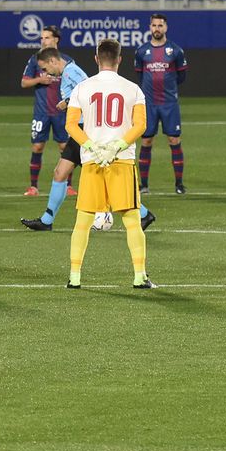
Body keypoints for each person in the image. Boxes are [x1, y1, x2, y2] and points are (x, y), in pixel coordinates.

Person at [21, 49, 154, 232]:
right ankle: (46, 220)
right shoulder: (68, 72)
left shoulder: (71, 72)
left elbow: (90, 90)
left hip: (87, 131)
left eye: (45, 68)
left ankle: (144, 213)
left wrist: (67, 102)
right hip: (82, 132)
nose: (47, 73)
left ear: (52, 61)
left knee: (107, 181)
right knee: (60, 172)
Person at [64, 39, 152, 290]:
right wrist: (117, 146)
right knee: (132, 221)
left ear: (96, 59)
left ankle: (74, 277)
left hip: (92, 161)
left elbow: (71, 125)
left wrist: (92, 146)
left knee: (83, 221)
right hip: (121, 161)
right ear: (119, 59)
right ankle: (139, 276)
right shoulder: (133, 89)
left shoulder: (82, 88)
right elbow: (140, 126)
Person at [134, 13, 188, 195]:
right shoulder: (142, 52)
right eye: (154, 25)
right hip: (149, 104)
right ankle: (144, 185)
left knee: (174, 140)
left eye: (160, 25)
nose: (157, 29)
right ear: (150, 27)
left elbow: (181, 76)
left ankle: (179, 184)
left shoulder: (176, 51)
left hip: (169, 104)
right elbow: (140, 76)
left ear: (166, 28)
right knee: (146, 141)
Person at [21, 24, 66, 197]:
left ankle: (68, 186)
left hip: (62, 112)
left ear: (56, 39)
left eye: (46, 37)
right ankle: (33, 187)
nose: (43, 40)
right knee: (38, 146)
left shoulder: (66, 60)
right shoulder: (35, 60)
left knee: (65, 148)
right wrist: (39, 79)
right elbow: (24, 82)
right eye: (41, 38)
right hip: (41, 112)